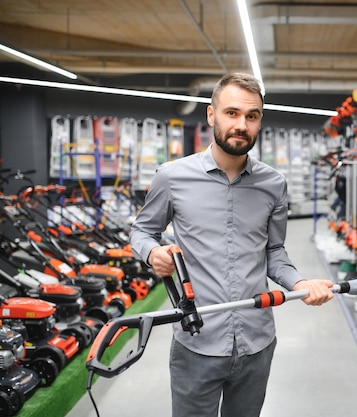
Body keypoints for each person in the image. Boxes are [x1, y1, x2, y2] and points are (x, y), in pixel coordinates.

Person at [130, 72, 335, 417]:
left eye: (251, 116)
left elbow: (274, 253)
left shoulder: (273, 184)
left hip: (257, 342)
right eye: (232, 113)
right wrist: (153, 253)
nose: (241, 124)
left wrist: (300, 284)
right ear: (212, 115)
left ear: (259, 122)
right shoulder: (172, 177)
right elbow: (141, 231)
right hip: (197, 343)